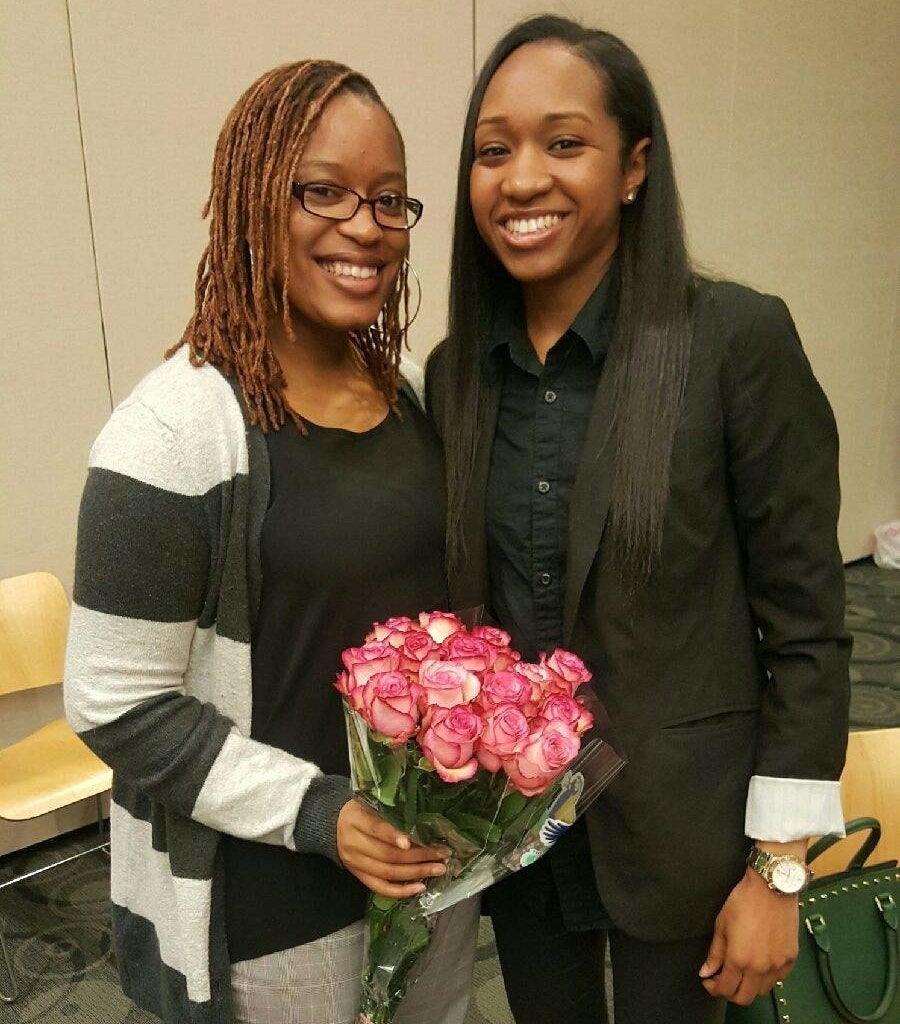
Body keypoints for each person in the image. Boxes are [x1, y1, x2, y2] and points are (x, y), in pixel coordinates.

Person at [426, 15, 850, 1024]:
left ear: (634, 168)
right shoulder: (456, 378)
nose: (521, 178)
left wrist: (780, 868)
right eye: (494, 151)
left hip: (689, 836)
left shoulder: (733, 341)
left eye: (564, 143)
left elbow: (806, 621)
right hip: (523, 838)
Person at [64, 60, 477, 1024]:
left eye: (386, 199)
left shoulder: (414, 393)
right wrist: (321, 814)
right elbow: (113, 699)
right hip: (275, 901)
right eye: (322, 192)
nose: (364, 226)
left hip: (433, 865)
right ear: (252, 202)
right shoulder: (172, 434)